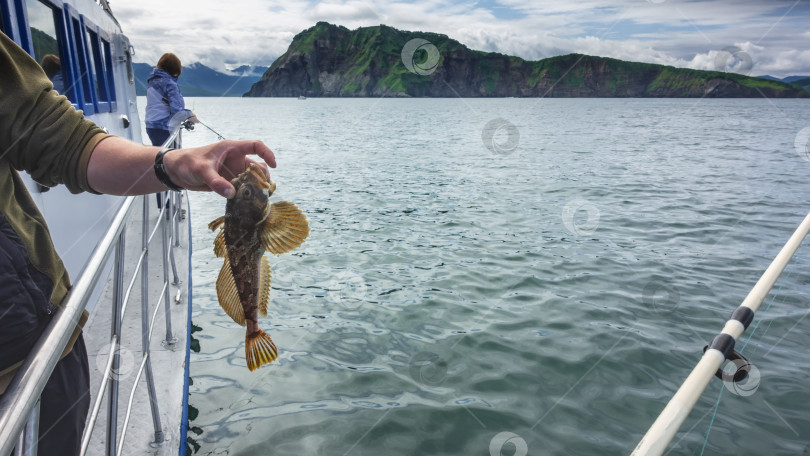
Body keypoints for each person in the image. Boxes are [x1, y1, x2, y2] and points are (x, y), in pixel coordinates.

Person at [0, 31, 275, 455]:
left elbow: (52, 134)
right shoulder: (167, 85)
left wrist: (170, 164)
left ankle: (250, 321)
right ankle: (252, 322)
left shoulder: (149, 83)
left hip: (24, 345)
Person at [145, 52, 199, 209]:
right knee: (169, 166)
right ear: (175, 70)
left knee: (159, 164)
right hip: (165, 129)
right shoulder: (170, 84)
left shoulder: (153, 81)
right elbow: (177, 111)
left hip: (151, 127)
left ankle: (163, 203)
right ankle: (168, 205)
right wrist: (191, 116)